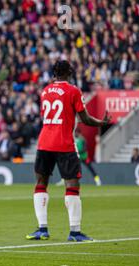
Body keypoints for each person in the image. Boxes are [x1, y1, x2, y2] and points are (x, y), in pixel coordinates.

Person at [26, 60, 111, 242]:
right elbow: (85, 119)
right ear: (70, 73)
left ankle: (42, 229)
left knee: (41, 183)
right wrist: (102, 123)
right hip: (64, 143)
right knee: (72, 186)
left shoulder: (45, 91)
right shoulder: (73, 91)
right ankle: (74, 232)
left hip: (44, 143)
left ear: (54, 74)